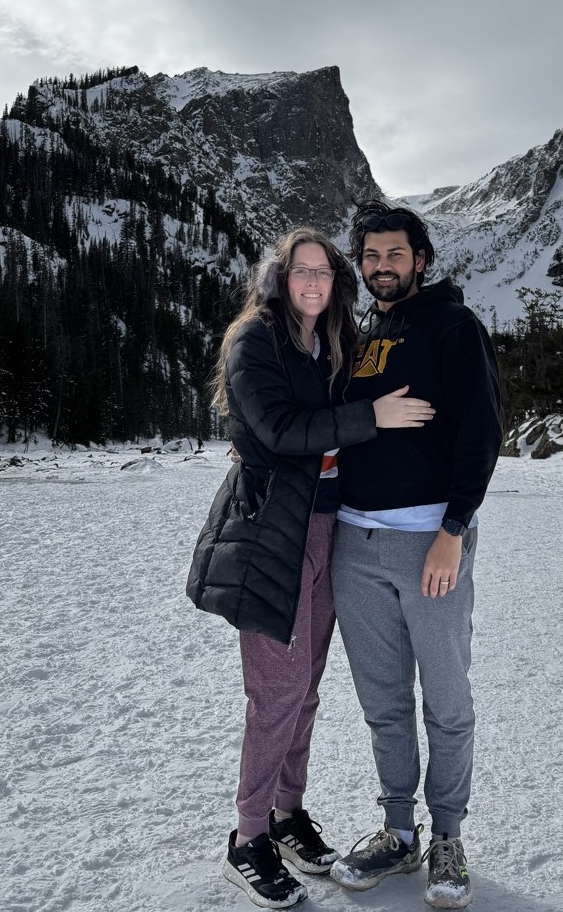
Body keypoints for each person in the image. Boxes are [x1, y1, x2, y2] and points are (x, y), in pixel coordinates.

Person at [186, 227, 434, 910]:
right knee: (276, 691)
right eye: (301, 271)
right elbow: (279, 430)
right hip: (271, 529)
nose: (314, 283)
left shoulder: (334, 340)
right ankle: (248, 835)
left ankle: (287, 815)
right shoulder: (254, 340)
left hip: (328, 523)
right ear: (279, 277)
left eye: (324, 272)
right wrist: (369, 415)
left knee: (306, 688)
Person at [328, 201, 502, 909]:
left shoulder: (452, 326)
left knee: (447, 698)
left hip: (428, 540)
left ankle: (448, 835)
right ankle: (398, 831)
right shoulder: (361, 328)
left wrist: (453, 529)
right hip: (352, 539)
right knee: (382, 699)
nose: (380, 267)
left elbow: (482, 430)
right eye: (370, 256)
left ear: (421, 259)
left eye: (394, 254)